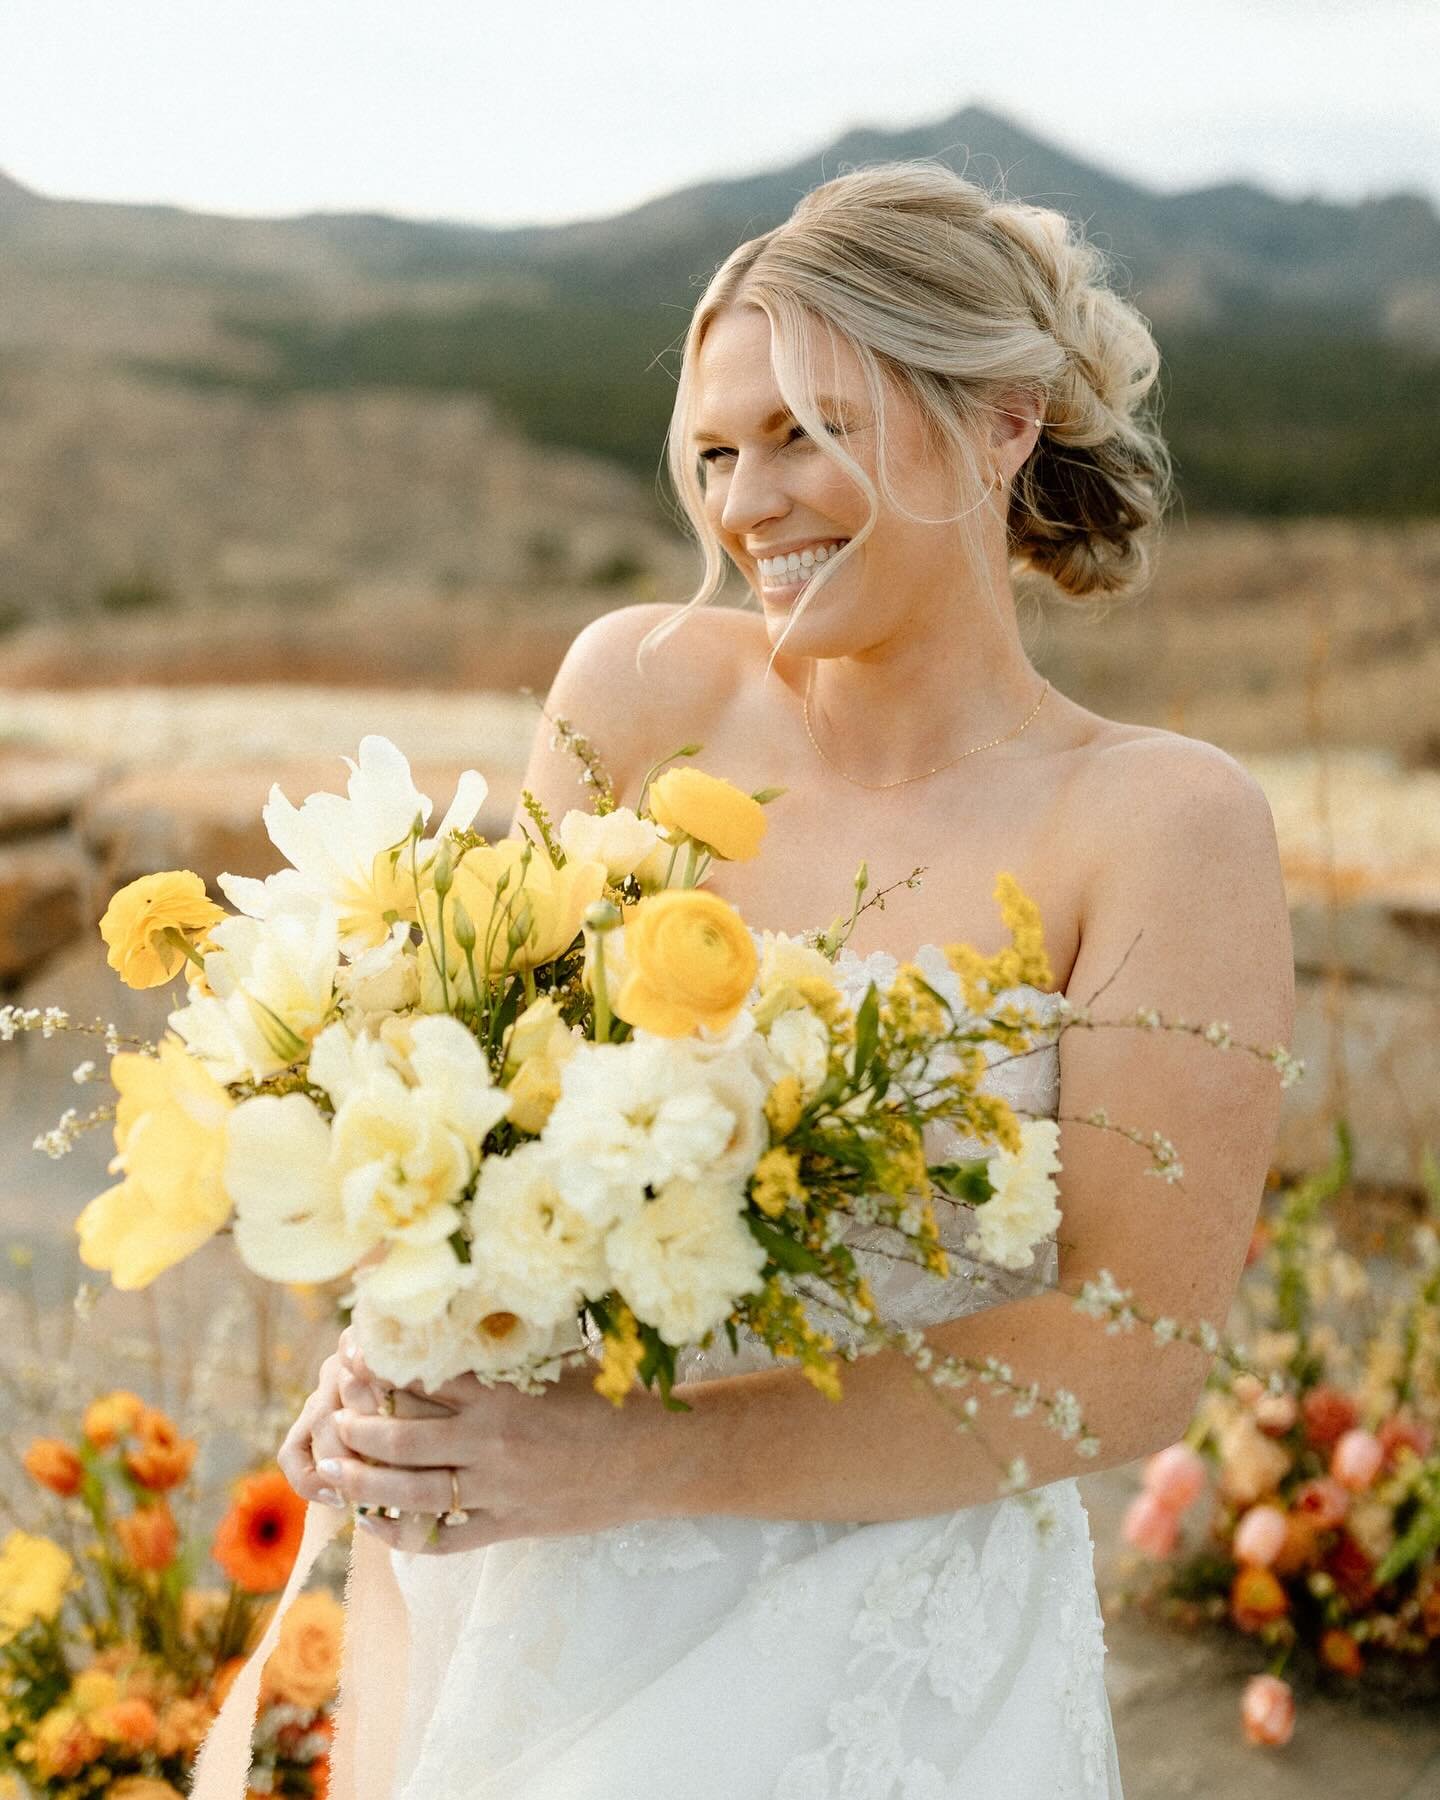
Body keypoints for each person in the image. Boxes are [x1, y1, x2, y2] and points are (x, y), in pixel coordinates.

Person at [278, 160, 1294, 1797]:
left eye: (812, 432)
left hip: (883, 1664)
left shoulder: (1165, 826)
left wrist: (627, 1462)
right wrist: (403, 1343)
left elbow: (1126, 1358)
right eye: (719, 449)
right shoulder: (636, 688)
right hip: (534, 1581)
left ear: (1006, 420)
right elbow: (479, 1121)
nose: (753, 501)